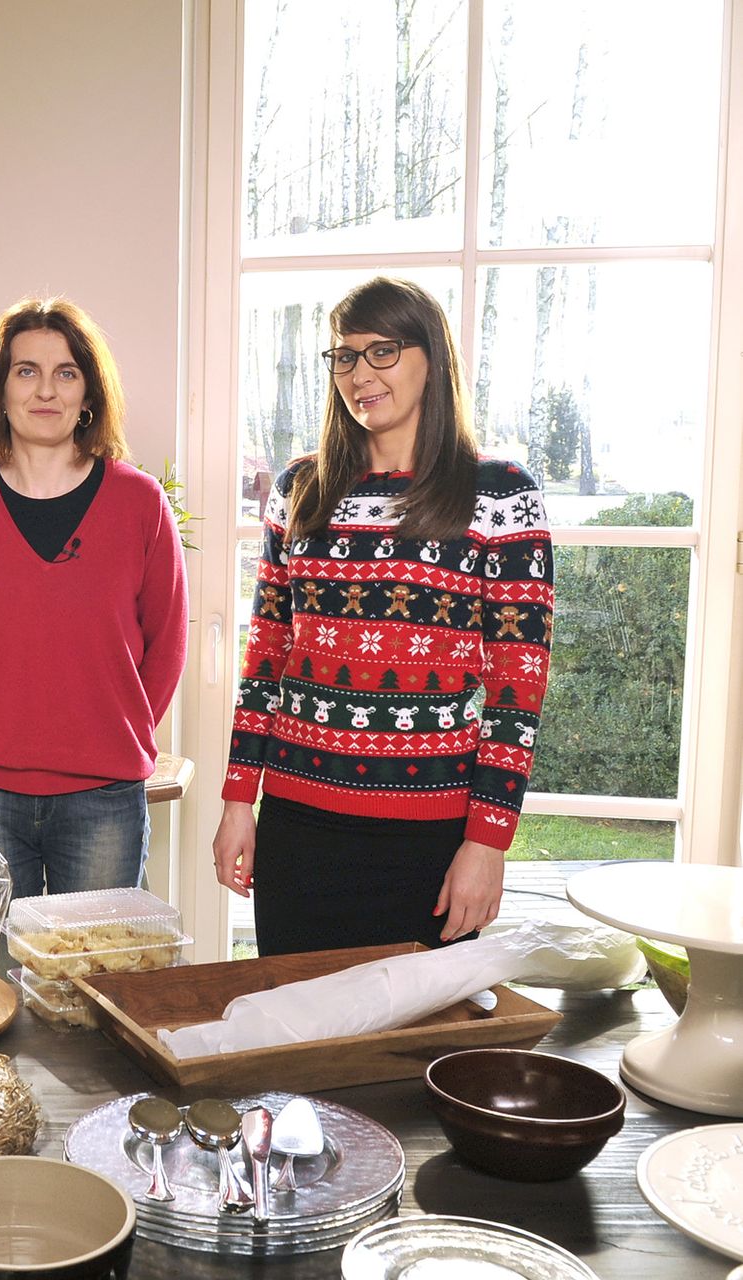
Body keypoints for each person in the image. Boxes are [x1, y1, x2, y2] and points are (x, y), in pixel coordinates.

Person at [213, 276, 554, 954]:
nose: (359, 374)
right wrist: (237, 802)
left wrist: (487, 843)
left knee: (426, 1024)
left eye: (382, 352)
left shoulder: (498, 494)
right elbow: (266, 658)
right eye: (344, 356)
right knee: (295, 1016)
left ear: (432, 357)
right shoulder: (300, 487)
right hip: (297, 827)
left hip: (429, 839)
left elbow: (517, 688)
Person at [0, 297, 188, 898]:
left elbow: (168, 641)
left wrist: (119, 730)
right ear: (0, 389)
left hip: (104, 794)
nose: (46, 390)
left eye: (65, 372)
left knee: (95, 960)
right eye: (27, 371)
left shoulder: (139, 502)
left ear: (88, 391)